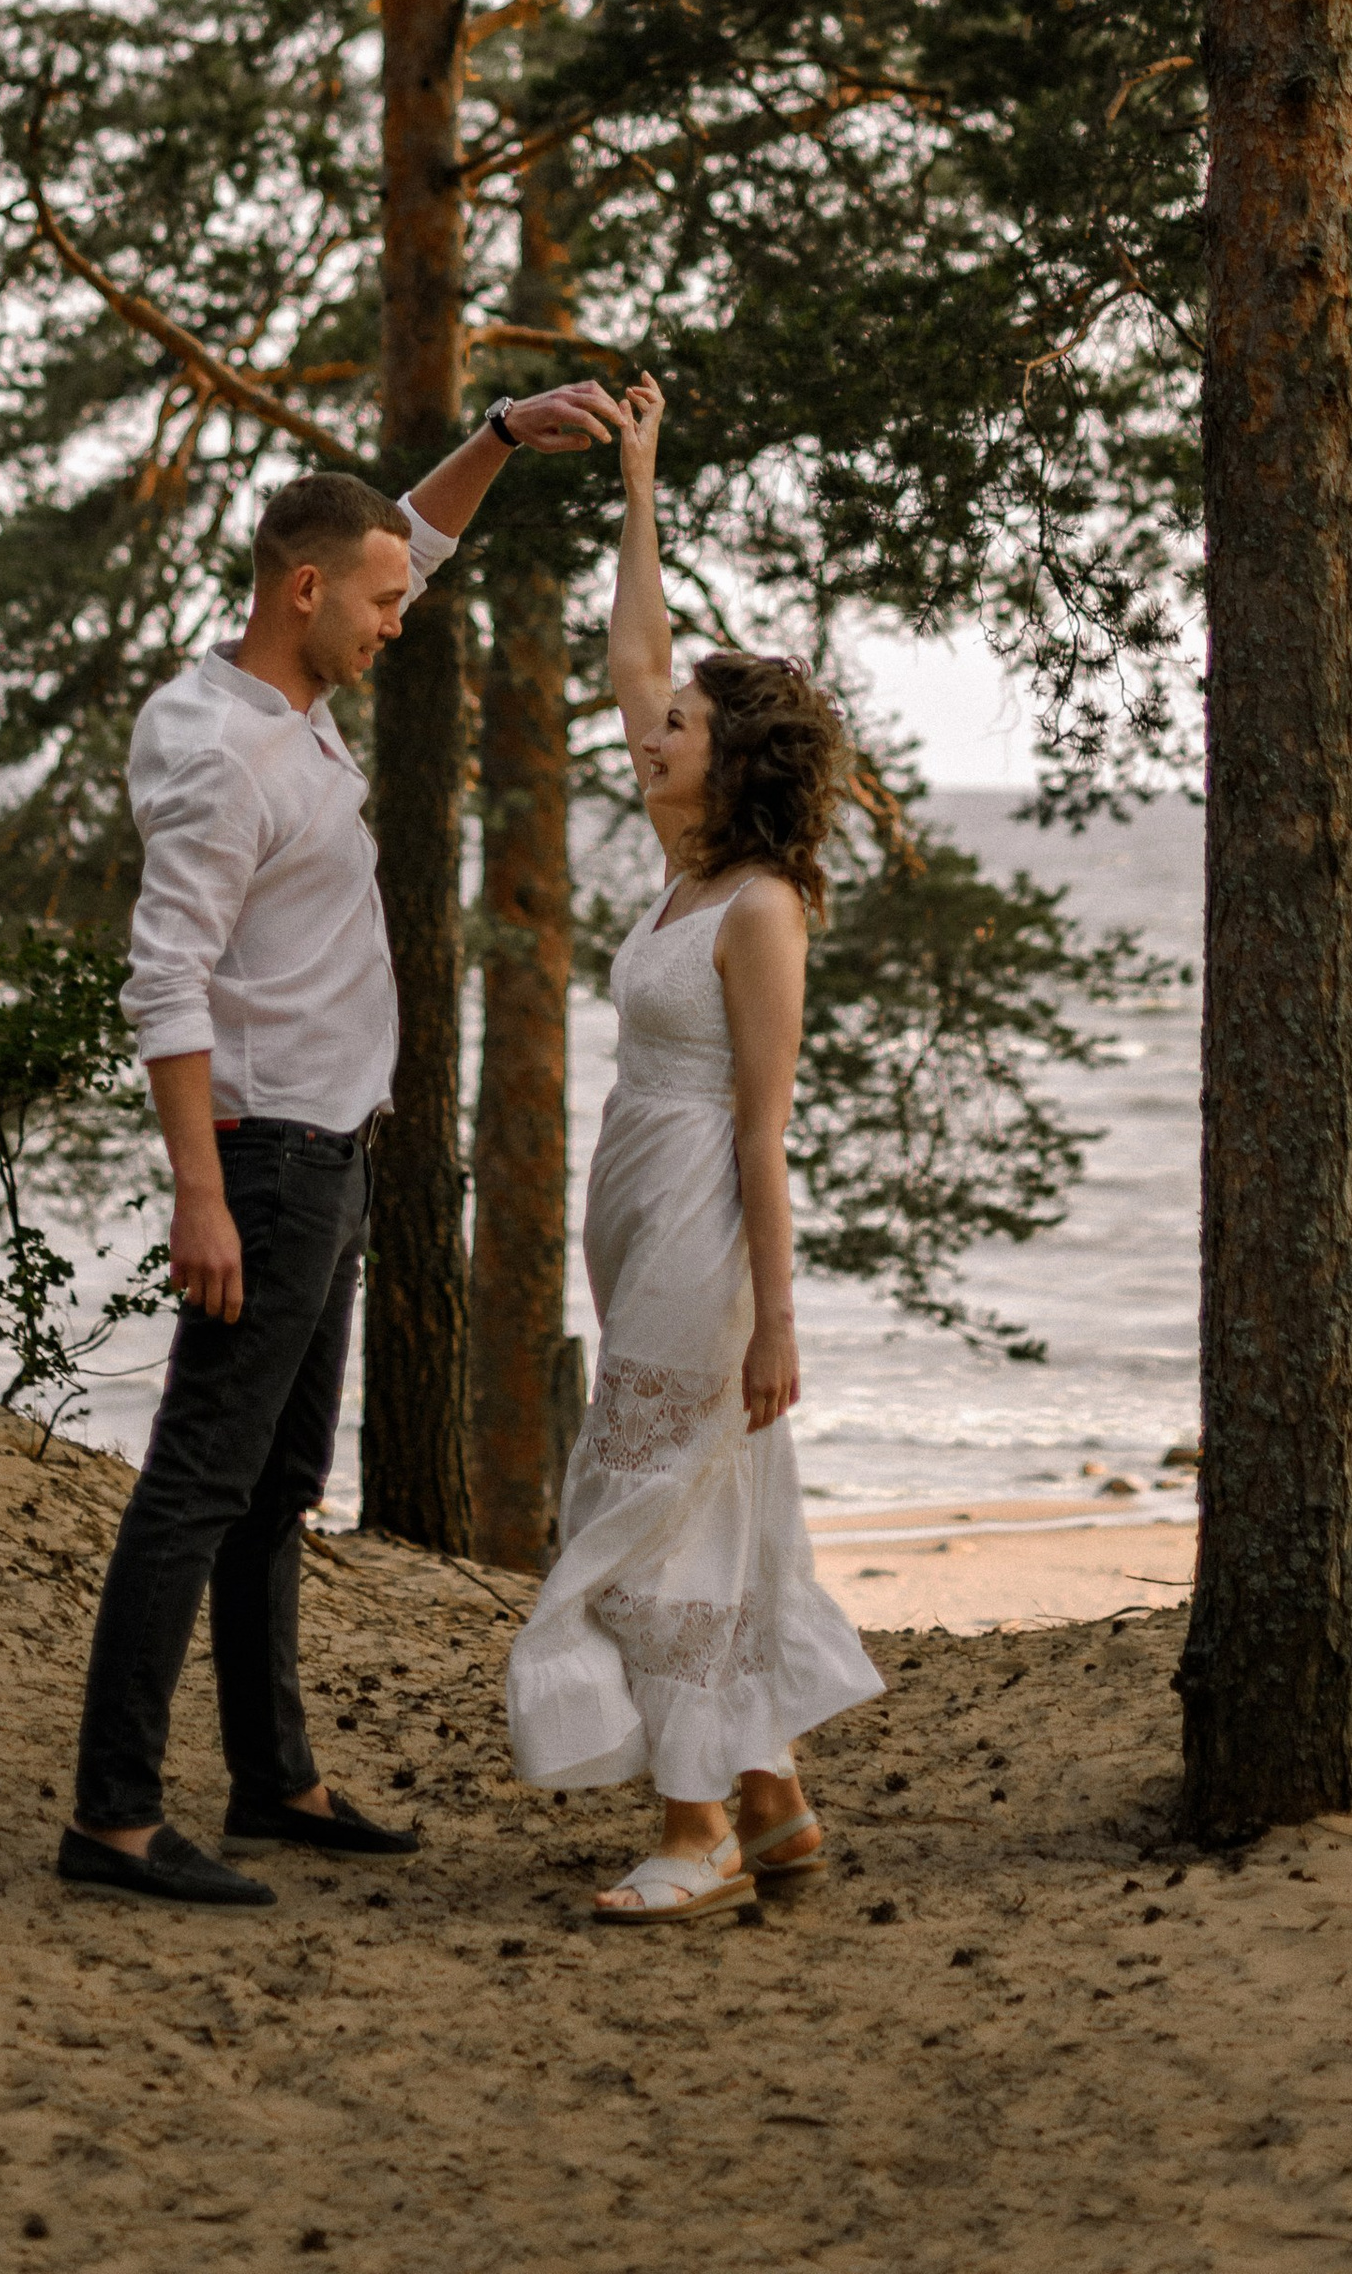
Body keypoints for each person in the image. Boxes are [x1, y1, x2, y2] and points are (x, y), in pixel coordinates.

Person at [60, 386, 623, 1907]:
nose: (402, 621)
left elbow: (414, 539)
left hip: (329, 1153)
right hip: (265, 1164)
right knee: (199, 1480)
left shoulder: (277, 699)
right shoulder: (226, 756)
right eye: (379, 602)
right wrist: (201, 1192)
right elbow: (162, 972)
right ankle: (111, 1817)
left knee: (275, 1481)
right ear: (305, 590)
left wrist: (500, 434)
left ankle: (273, 1775)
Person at [504, 372, 884, 1920]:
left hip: (710, 1232)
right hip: (636, 1208)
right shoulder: (679, 867)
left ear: (731, 761)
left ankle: (695, 1829)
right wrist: (642, 486)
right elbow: (632, 651)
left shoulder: (761, 910)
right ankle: (774, 1800)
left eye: (679, 728)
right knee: (703, 1498)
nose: (651, 729)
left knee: (647, 1499)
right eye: (661, 722)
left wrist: (780, 1319)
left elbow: (765, 1126)